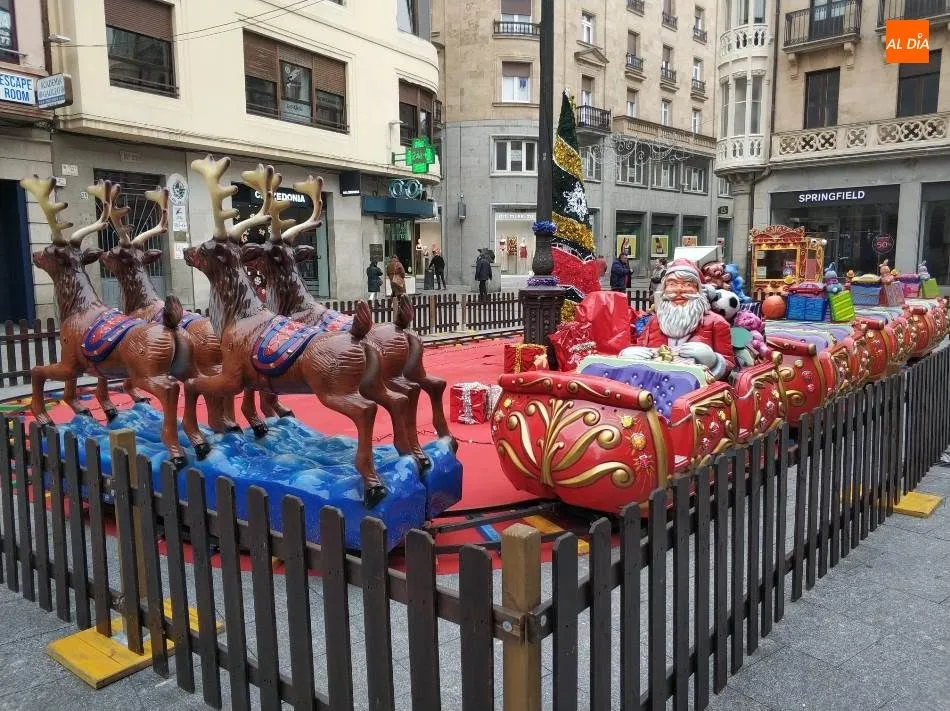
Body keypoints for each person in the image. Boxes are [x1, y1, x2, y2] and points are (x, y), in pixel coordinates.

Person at [620, 258, 735, 380]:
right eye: (672, 284)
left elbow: (729, 367)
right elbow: (641, 349)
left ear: (699, 291)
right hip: (655, 386)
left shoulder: (717, 323)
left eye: (688, 284)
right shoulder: (654, 321)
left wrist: (713, 360)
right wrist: (628, 355)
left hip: (696, 392)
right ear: (664, 289)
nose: (679, 290)